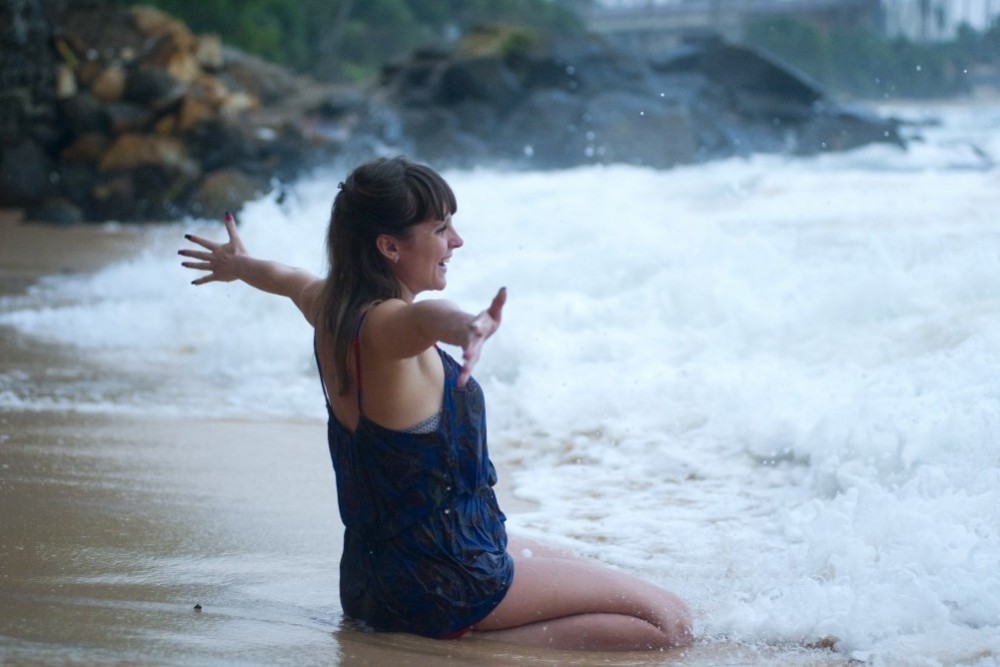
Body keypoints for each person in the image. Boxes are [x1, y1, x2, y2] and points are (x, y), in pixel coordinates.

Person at [178, 156, 692, 651]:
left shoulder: (328, 306)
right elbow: (428, 318)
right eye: (441, 229)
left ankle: (443, 633)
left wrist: (238, 265)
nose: (457, 241)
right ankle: (469, 648)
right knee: (669, 623)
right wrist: (468, 326)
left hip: (374, 580)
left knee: (589, 570)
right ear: (389, 246)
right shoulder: (387, 327)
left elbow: (285, 277)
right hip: (443, 582)